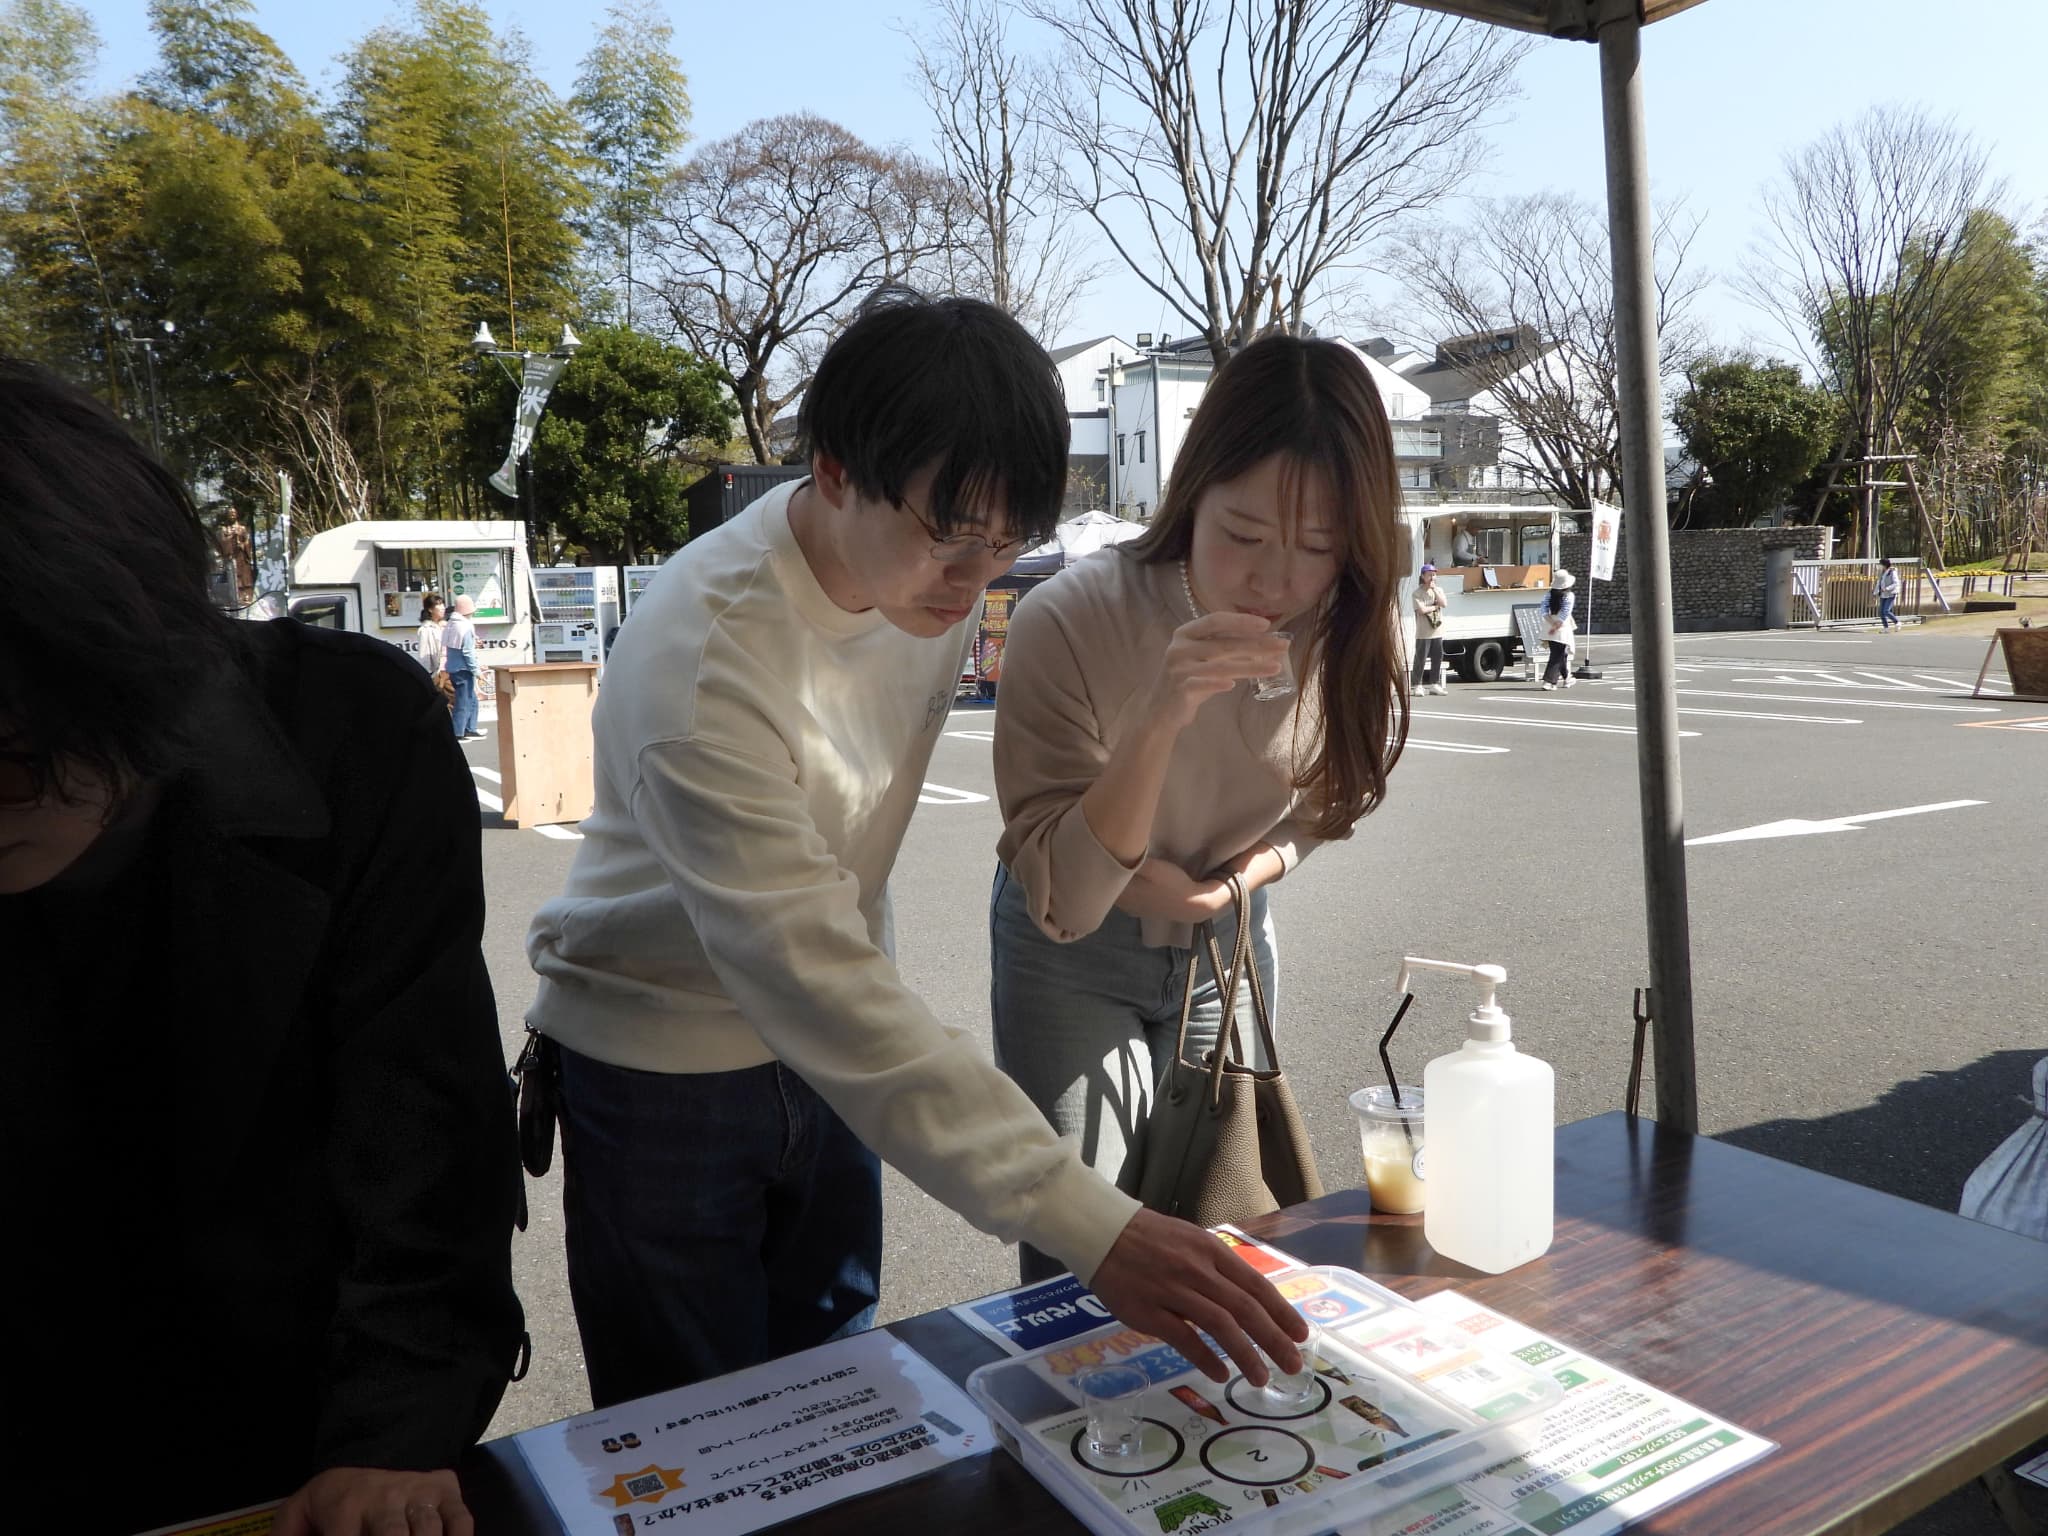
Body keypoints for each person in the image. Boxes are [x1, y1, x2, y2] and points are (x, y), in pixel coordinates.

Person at [522, 291, 1305, 1409]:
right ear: (832, 469)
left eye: (1003, 546)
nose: (970, 584)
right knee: (691, 1430)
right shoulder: (708, 657)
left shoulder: (922, 593)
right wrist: (1093, 1225)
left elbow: (838, 981)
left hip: (836, 1063)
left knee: (841, 1396)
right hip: (660, 1076)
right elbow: (803, 968)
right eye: (947, 537)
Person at [0, 360, 522, 1535]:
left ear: (133, 672)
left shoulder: (347, 729)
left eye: (9, 760)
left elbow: (425, 1107)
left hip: (299, 1403)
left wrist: (396, 1431)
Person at [988, 335, 1410, 1280]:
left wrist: (1239, 882)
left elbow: (1329, 805)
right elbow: (1059, 886)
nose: (1275, 581)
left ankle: (1218, 1417)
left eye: (1318, 548)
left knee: (1226, 1205)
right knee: (1086, 1234)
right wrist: (1158, 715)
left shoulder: (1351, 622)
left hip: (1225, 944)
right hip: (1072, 952)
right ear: (1193, 494)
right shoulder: (1070, 619)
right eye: (1244, 535)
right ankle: (1083, 1425)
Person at [444, 593, 482, 739]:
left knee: (470, 698)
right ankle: (458, 732)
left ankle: (470, 727)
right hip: (463, 668)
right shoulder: (465, 626)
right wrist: (476, 670)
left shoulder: (451, 624)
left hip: (453, 667)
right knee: (464, 701)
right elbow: (467, 651)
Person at [1411, 564, 1449, 695]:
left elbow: (1444, 604)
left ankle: (1434, 684)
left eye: (1434, 574)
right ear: (1423, 576)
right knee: (1420, 659)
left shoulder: (1438, 590)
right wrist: (1434, 607)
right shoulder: (1417, 593)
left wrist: (1436, 592)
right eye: (1429, 575)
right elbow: (1421, 610)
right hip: (1423, 632)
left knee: (1437, 657)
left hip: (1437, 631)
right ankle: (1417, 684)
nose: (1432, 577)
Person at [1541, 568, 1577, 689]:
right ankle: (1549, 681)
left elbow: (1543, 611)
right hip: (1562, 628)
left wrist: (1551, 624)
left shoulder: (1548, 594)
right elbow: (1565, 614)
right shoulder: (1569, 596)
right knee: (1557, 655)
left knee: (1560, 654)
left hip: (1548, 626)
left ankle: (1567, 678)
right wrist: (1556, 626)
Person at [1875, 556, 1901, 630]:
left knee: (1886, 610)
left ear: (1885, 565)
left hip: (1891, 594)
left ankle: (1897, 622)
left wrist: (1887, 588)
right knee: (1881, 612)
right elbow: (1879, 583)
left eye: (1880, 564)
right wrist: (1875, 592)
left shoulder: (1892, 572)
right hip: (1883, 594)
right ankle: (1886, 627)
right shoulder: (1882, 573)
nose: (1879, 566)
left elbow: (1896, 583)